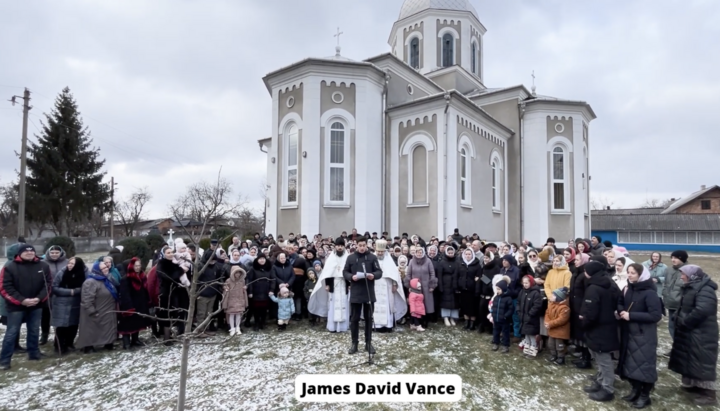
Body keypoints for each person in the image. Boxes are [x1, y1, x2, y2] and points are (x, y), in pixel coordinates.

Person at [668, 265, 719, 406]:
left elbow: (703, 310)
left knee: (702, 361)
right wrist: (677, 318)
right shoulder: (692, 287)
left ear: (693, 276)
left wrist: (685, 322)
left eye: (684, 274)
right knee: (690, 358)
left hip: (702, 333)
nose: (681, 277)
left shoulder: (705, 290)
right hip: (691, 331)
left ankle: (709, 395)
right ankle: (692, 385)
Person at [616, 263, 662, 408]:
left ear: (641, 275)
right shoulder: (628, 288)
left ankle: (645, 395)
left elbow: (655, 315)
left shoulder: (649, 292)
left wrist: (631, 315)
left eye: (633, 273)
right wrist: (620, 311)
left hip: (644, 334)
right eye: (628, 272)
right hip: (629, 332)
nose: (629, 275)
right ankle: (635, 389)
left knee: (644, 364)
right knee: (631, 363)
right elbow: (620, 302)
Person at [0, 244, 53, 370]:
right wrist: (21, 300)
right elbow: (4, 287)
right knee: (12, 332)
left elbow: (48, 285)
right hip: (16, 307)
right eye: (26, 252)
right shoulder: (10, 267)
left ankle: (34, 353)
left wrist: (38, 299)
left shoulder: (43, 266)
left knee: (34, 330)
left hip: (36, 305)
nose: (29, 253)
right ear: (19, 253)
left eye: (32, 251)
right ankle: (4, 360)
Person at [581, 261, 620, 402]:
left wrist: (584, 321)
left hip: (598, 327)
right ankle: (601, 380)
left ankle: (607, 389)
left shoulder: (594, 288)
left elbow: (591, 311)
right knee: (599, 356)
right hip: (608, 324)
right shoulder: (609, 283)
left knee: (603, 359)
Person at [343, 237, 382, 355]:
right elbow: (345, 272)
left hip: (368, 292)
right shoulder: (351, 258)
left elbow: (379, 272)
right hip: (356, 292)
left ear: (367, 245)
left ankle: (368, 343)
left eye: (364, 245)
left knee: (369, 318)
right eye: (360, 245)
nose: (362, 247)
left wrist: (373, 275)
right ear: (356, 245)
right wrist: (351, 277)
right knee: (354, 319)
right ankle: (354, 343)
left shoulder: (372, 257)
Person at [77, 261, 120, 353]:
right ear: (97, 270)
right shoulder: (90, 282)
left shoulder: (106, 279)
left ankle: (108, 343)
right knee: (91, 329)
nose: (106, 270)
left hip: (107, 309)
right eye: (103, 269)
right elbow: (87, 299)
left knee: (107, 327)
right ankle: (88, 347)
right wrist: (92, 311)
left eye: (106, 268)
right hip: (95, 310)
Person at [308, 238, 350, 333]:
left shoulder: (347, 257)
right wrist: (327, 285)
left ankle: (343, 326)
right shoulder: (331, 257)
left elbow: (349, 271)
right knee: (333, 305)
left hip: (343, 284)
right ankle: (333, 326)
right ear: (335, 246)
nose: (340, 247)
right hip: (333, 284)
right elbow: (327, 272)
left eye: (341, 246)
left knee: (344, 304)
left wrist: (349, 284)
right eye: (338, 246)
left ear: (344, 246)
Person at [51, 257, 89, 354]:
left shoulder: (84, 273)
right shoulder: (62, 273)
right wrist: (70, 292)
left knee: (73, 325)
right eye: (69, 263)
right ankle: (59, 346)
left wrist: (76, 291)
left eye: (72, 264)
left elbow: (86, 286)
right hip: (62, 303)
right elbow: (54, 287)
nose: (70, 265)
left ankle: (69, 343)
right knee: (62, 326)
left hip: (76, 302)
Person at [155, 246, 189, 345]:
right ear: (163, 254)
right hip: (166, 293)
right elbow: (169, 277)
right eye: (168, 253)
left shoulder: (173, 263)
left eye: (171, 252)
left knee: (174, 314)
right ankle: (166, 338)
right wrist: (181, 271)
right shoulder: (161, 264)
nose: (170, 254)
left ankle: (171, 335)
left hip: (175, 292)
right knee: (167, 315)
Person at [372, 239, 406, 332]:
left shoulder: (389, 260)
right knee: (376, 305)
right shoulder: (372, 259)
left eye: (381, 251)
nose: (379, 253)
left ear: (384, 251)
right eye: (378, 251)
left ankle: (388, 325)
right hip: (375, 286)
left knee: (387, 305)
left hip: (387, 286)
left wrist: (395, 284)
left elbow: (394, 274)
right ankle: (377, 325)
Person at [118, 258, 151, 349]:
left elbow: (144, 290)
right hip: (129, 305)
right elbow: (125, 294)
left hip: (140, 304)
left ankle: (135, 340)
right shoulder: (126, 279)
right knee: (127, 325)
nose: (137, 268)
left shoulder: (142, 276)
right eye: (135, 266)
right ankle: (126, 343)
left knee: (137, 323)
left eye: (139, 266)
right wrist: (128, 307)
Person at [661, 250, 688, 355]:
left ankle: (684, 350)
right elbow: (666, 285)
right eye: (672, 257)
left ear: (682, 259)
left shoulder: (688, 271)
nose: (673, 260)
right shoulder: (668, 270)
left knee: (681, 328)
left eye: (676, 258)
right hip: (671, 304)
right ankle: (676, 348)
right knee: (672, 327)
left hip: (682, 305)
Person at [569, 253, 592, 369]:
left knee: (584, 334)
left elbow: (586, 294)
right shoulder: (576, 273)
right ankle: (582, 356)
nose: (575, 262)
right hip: (574, 306)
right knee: (578, 333)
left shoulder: (585, 275)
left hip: (581, 308)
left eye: (578, 260)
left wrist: (583, 309)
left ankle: (587, 358)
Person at [42, 245, 68, 345]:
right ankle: (44, 335)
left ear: (60, 253)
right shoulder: (43, 263)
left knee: (61, 314)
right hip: (47, 293)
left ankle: (60, 335)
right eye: (52, 253)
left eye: (56, 253)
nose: (54, 255)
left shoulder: (66, 262)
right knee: (46, 315)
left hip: (62, 292)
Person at [247, 254, 275, 331]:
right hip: (256, 291)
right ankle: (256, 323)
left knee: (264, 308)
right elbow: (250, 281)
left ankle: (262, 322)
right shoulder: (253, 269)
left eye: (263, 259)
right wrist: (250, 291)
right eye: (260, 259)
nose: (262, 260)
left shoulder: (269, 268)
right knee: (256, 309)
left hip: (266, 291)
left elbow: (273, 279)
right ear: (257, 260)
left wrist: (272, 290)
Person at [517, 275, 543, 357]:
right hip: (523, 317)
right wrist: (518, 311)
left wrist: (530, 314)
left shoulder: (535, 293)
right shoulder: (522, 291)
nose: (525, 285)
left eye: (526, 283)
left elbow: (537, 306)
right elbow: (518, 302)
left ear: (531, 283)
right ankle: (527, 349)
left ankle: (533, 349)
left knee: (532, 335)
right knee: (526, 334)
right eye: (523, 283)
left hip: (532, 318)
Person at [545, 287, 571, 365]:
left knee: (559, 345)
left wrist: (550, 324)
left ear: (558, 297)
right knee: (551, 344)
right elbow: (547, 313)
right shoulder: (551, 305)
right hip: (552, 329)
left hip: (560, 331)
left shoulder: (565, 308)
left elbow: (561, 320)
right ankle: (553, 355)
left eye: (553, 295)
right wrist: (547, 322)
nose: (551, 296)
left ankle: (561, 357)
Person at [489, 277, 513, 353]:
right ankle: (496, 342)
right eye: (497, 289)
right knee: (496, 331)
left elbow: (511, 309)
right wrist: (493, 313)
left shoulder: (508, 298)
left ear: (504, 289)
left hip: (504, 320)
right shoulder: (496, 297)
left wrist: (506, 316)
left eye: (499, 289)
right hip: (496, 319)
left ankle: (505, 345)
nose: (497, 291)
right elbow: (493, 306)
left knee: (505, 333)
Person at [223, 266, 249, 336]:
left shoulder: (242, 281)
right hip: (231, 300)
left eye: (239, 273)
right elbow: (225, 288)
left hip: (240, 299)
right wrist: (226, 288)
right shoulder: (228, 281)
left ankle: (238, 327)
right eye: (236, 272)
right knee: (231, 315)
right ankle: (232, 328)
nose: (238, 274)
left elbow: (244, 290)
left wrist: (244, 290)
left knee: (238, 314)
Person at [437, 246, 460, 326]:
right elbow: (439, 275)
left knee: (454, 302)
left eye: (452, 253)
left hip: (454, 283)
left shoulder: (457, 262)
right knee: (445, 302)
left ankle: (452, 317)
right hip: (445, 283)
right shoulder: (442, 262)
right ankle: (445, 317)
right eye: (449, 253)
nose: (450, 254)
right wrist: (440, 286)